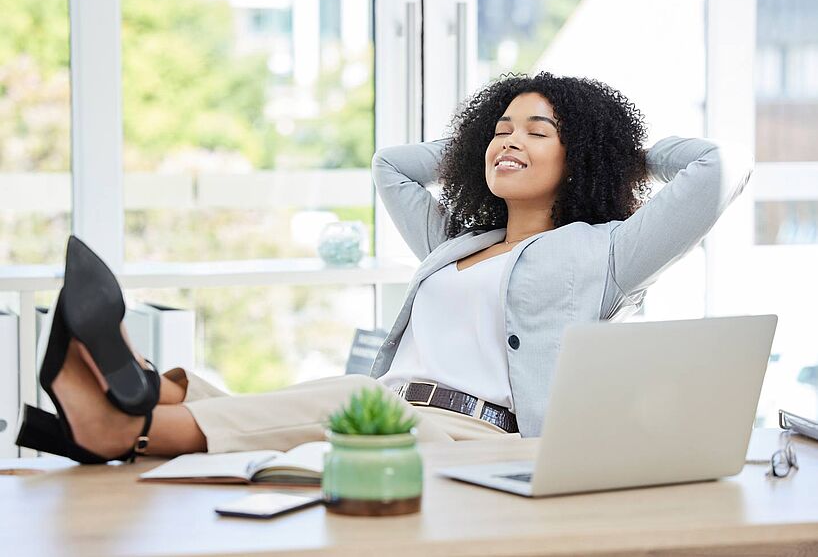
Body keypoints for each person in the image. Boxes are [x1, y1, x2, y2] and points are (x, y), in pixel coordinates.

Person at [16, 72, 754, 463]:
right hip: (394, 419)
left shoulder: (607, 253)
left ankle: (127, 425)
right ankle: (146, 392)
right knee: (262, 396)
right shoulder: (456, 243)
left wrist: (621, 149)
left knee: (351, 399)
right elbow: (392, 167)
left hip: (479, 444)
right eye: (499, 129)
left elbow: (717, 171)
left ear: (581, 154)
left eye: (538, 130)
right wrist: (475, 147)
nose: (510, 140)